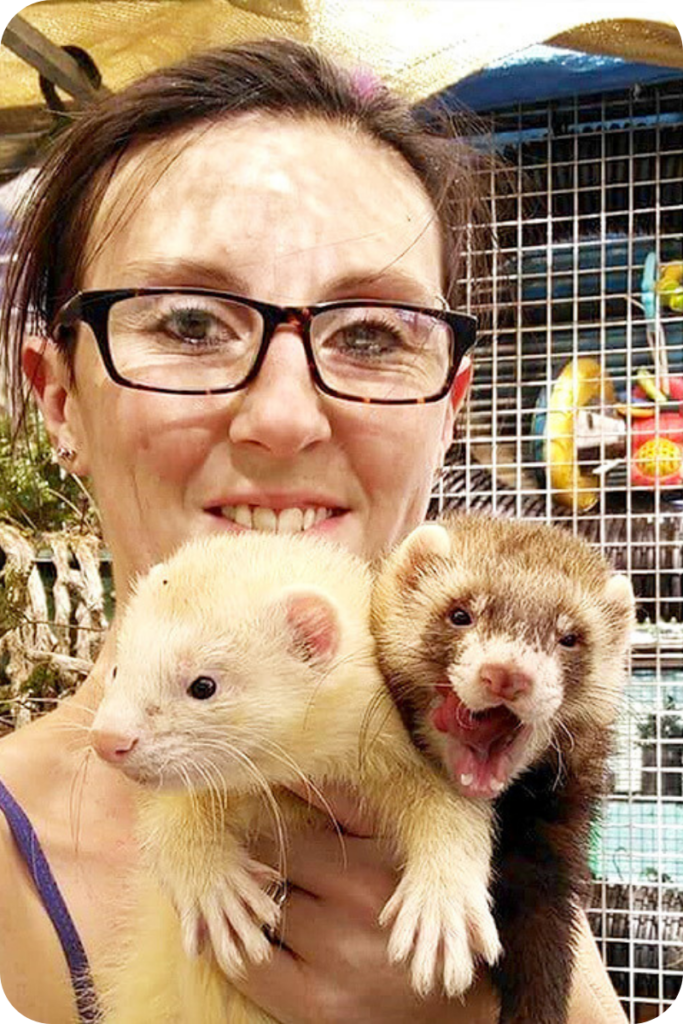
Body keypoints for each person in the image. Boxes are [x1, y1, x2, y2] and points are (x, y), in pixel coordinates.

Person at [0, 39, 627, 1024]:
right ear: (58, 398)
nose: (284, 418)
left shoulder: (501, 817)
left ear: (446, 412)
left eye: (372, 335)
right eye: (190, 325)